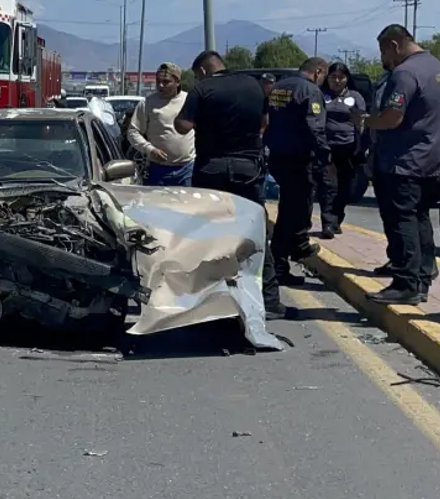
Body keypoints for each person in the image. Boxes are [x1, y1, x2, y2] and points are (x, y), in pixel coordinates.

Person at [174, 50, 289, 318]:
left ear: (202, 70)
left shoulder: (203, 89)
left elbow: (183, 125)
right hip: (248, 169)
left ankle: (208, 301)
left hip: (211, 169)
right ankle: (270, 301)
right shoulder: (253, 85)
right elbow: (264, 123)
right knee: (255, 234)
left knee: (208, 235)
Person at [353, 24, 440, 304]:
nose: (386, 59)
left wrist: (365, 120)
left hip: (405, 162)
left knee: (401, 220)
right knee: (420, 218)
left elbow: (392, 118)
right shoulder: (438, 68)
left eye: (384, 52)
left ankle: (405, 283)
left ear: (393, 45)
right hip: (434, 161)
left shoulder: (404, 73)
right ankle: (421, 278)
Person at [264, 57, 330, 284]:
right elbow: (315, 125)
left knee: (289, 207)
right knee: (296, 210)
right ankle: (287, 256)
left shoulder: (279, 87)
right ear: (318, 71)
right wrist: (324, 154)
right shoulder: (310, 91)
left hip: (278, 156)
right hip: (299, 159)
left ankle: (292, 251)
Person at [315, 62, 366, 238]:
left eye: (341, 77)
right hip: (327, 148)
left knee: (346, 188)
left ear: (347, 79)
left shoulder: (355, 97)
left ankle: (337, 219)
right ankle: (328, 223)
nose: (337, 81)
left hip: (349, 149)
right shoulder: (321, 96)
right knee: (328, 186)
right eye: (333, 77)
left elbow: (361, 123)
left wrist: (361, 147)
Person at [127, 62, 195, 186]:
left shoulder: (189, 100)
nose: (161, 85)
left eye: (166, 82)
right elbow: (133, 132)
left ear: (177, 82)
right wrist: (150, 150)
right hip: (157, 170)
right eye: (158, 81)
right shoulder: (147, 103)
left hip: (187, 170)